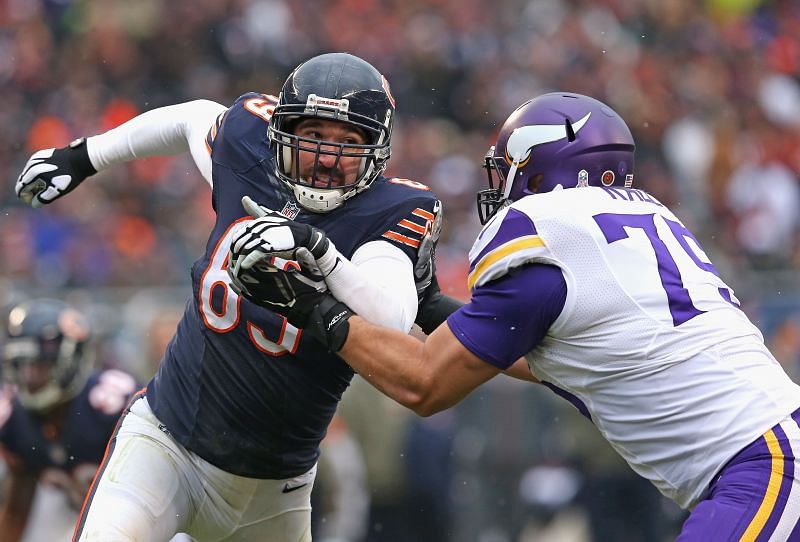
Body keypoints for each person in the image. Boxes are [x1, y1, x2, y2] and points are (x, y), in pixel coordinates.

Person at [230, 92, 800, 540]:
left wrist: (313, 307)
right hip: (768, 453)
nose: (499, 187)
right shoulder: (632, 226)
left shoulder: (546, 235)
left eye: (506, 169)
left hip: (762, 466)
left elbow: (425, 384)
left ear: (538, 166)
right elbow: (535, 355)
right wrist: (428, 305)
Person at [14, 52, 463, 541]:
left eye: (348, 142)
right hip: (168, 445)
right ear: (283, 131)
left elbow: (393, 321)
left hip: (275, 491)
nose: (328, 158)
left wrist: (320, 252)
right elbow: (189, 117)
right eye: (314, 137)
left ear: (376, 153)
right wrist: (85, 157)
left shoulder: (390, 211)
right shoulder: (249, 148)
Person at [0, 298, 138, 542]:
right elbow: (17, 510)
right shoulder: (14, 418)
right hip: (77, 517)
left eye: (43, 364)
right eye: (24, 366)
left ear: (72, 360)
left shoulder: (110, 403)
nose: (31, 376)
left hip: (146, 516)